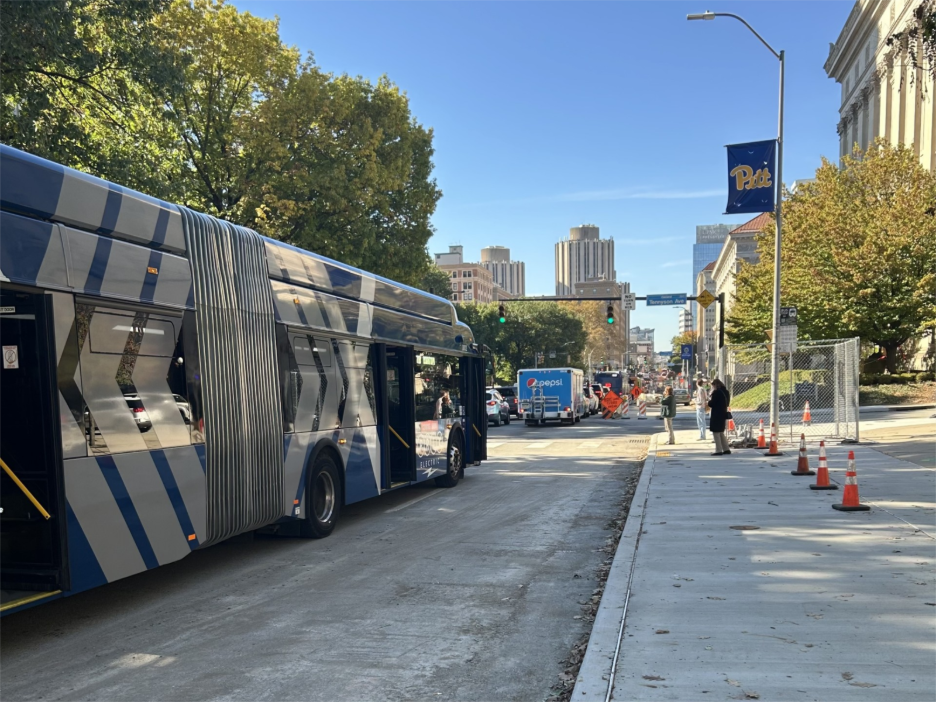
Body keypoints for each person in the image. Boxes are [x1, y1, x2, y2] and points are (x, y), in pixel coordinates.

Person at [708, 378, 731, 455]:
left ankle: (718, 450)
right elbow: (727, 403)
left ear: (715, 385)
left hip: (716, 414)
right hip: (723, 413)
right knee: (721, 432)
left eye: (713, 385)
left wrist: (709, 401)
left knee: (716, 432)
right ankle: (726, 449)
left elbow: (711, 404)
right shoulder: (726, 392)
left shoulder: (716, 393)